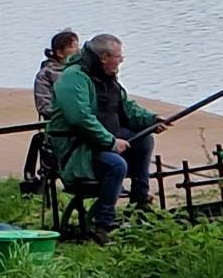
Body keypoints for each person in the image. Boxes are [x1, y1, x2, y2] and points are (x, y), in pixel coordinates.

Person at [44, 33, 166, 242]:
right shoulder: (73, 78)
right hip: (79, 147)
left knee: (144, 141)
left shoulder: (107, 77)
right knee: (116, 165)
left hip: (103, 141)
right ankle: (103, 223)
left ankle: (140, 201)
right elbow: (80, 118)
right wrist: (110, 142)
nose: (121, 61)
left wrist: (151, 120)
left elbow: (126, 107)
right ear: (104, 57)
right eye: (119, 56)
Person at [32, 29, 79, 118]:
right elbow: (44, 106)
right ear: (60, 53)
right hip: (58, 124)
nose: (78, 51)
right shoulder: (45, 75)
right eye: (73, 47)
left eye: (78, 46)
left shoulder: (81, 70)